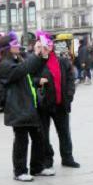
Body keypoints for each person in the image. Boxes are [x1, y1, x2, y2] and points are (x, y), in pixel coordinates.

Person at [0, 33, 51, 182]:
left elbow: (31, 68)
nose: (18, 46)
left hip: (28, 105)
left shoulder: (18, 59)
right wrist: (35, 53)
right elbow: (24, 69)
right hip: (17, 107)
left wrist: (43, 56)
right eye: (14, 43)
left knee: (38, 137)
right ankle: (20, 171)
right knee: (21, 140)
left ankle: (37, 167)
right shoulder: (5, 64)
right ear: (8, 48)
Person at [34, 31, 80, 170]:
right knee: (43, 134)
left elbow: (71, 79)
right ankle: (47, 159)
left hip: (61, 103)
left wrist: (70, 95)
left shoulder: (62, 61)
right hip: (44, 104)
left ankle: (67, 157)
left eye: (48, 43)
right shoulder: (35, 62)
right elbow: (28, 78)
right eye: (43, 44)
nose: (47, 47)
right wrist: (38, 80)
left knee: (64, 132)